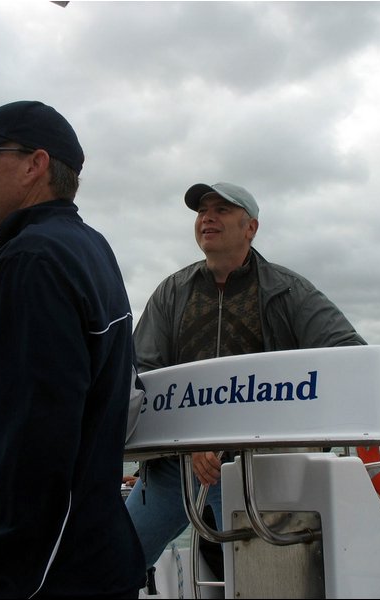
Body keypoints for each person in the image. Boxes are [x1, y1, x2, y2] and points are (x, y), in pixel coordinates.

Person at [0, 100, 145, 598]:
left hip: (44, 578)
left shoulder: (31, 264)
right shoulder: (89, 249)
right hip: (93, 561)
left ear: (35, 165)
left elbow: (36, 452)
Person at [125, 181, 366, 574]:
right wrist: (190, 439)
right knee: (114, 560)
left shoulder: (288, 291)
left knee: (260, 578)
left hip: (253, 469)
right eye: (203, 210)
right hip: (175, 468)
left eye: (221, 209)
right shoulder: (171, 293)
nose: (208, 217)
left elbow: (349, 353)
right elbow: (142, 373)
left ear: (250, 227)